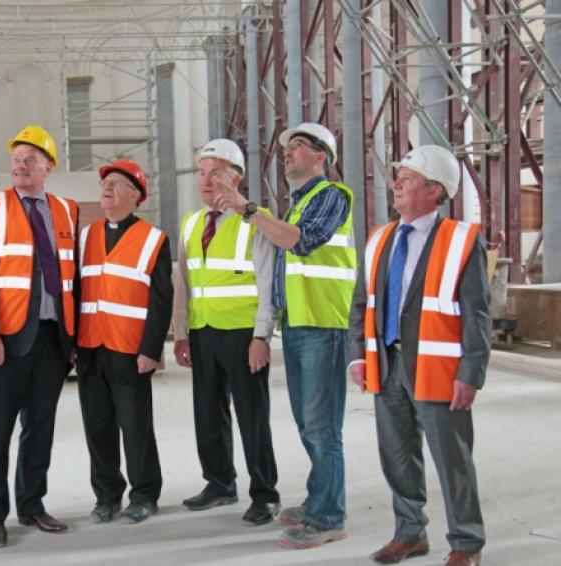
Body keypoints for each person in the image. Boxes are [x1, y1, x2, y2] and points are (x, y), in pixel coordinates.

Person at [347, 145, 490, 566]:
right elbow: (361, 304)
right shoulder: (379, 239)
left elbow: (477, 314)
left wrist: (472, 373)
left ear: (433, 191)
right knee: (396, 456)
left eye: (406, 179)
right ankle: (410, 534)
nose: (396, 185)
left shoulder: (462, 241)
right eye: (399, 177)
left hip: (438, 370)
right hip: (386, 366)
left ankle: (466, 543)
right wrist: (358, 356)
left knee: (452, 460)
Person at [215, 122, 356, 548]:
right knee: (307, 423)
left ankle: (329, 517)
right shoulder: (294, 205)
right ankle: (319, 501)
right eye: (287, 147)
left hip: (322, 322)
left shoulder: (333, 196)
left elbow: (300, 242)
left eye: (298, 146)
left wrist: (246, 208)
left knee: (321, 425)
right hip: (298, 323)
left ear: (321, 157)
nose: (288, 153)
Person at [0, 125, 78, 546]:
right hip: (7, 340)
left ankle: (32, 504)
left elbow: (74, 276)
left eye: (30, 159)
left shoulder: (66, 210)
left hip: (52, 340)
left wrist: (73, 340)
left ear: (49, 166)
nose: (20, 166)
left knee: (40, 429)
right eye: (16, 160)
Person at [173, 139, 281, 526]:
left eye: (215, 173)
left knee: (252, 415)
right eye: (201, 172)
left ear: (235, 178)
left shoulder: (255, 219)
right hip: (203, 332)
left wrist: (261, 336)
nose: (205, 181)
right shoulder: (190, 223)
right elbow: (183, 282)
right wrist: (181, 332)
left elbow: (268, 282)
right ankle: (219, 483)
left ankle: (265, 494)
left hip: (242, 333)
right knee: (208, 413)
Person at [77, 158, 173, 524]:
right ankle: (106, 495)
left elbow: (161, 299)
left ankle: (145, 494)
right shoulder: (86, 235)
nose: (107, 188)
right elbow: (76, 292)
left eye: (116, 183)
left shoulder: (153, 239)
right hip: (90, 348)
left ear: (136, 195)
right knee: (97, 428)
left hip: (130, 351)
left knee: (136, 428)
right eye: (105, 182)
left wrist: (151, 350)